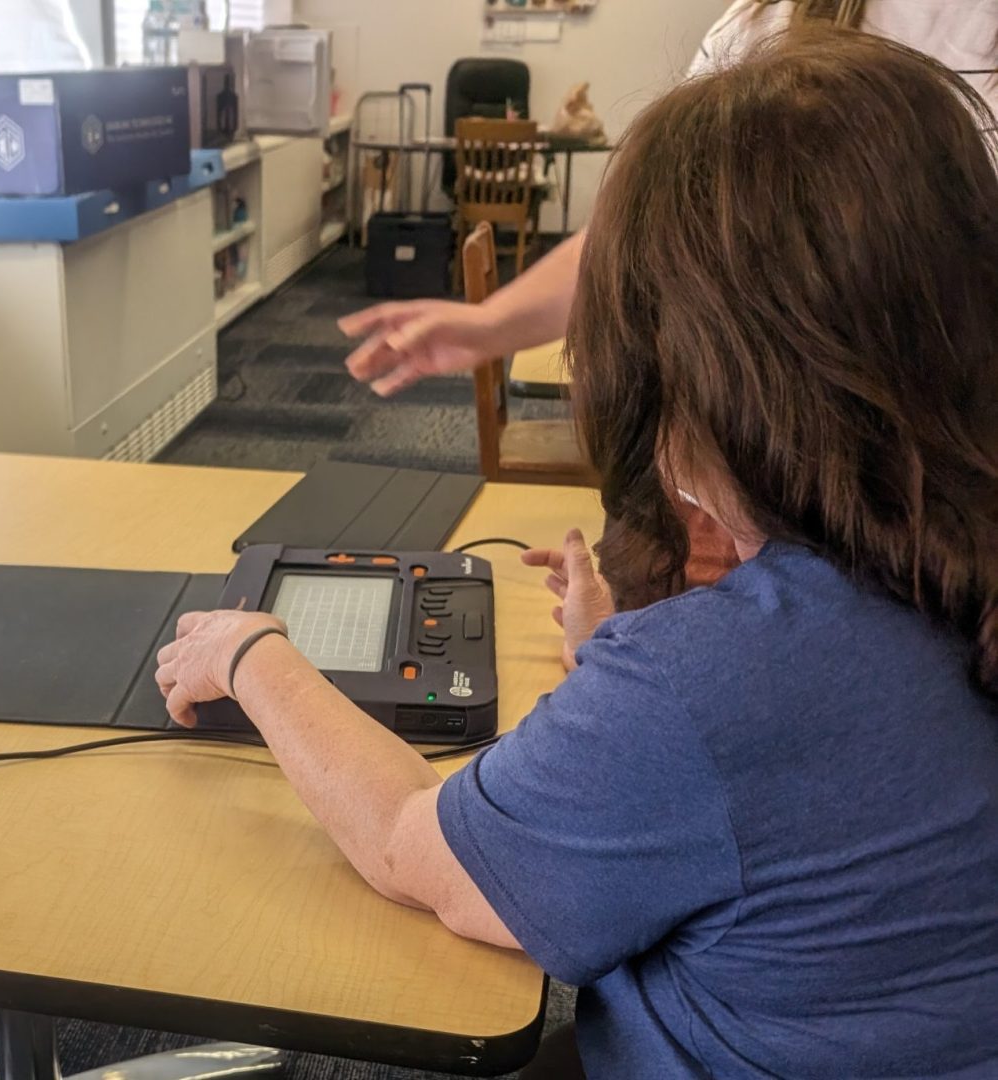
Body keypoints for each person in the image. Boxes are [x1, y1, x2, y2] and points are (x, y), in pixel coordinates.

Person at [158, 30, 998, 1080]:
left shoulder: (709, 686)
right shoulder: (920, 585)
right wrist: (629, 660)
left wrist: (254, 655)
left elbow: (409, 849)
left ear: (700, 378)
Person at [340, 0, 998, 606]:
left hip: (909, 505)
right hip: (722, 490)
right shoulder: (761, 23)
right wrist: (491, 323)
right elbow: (642, 237)